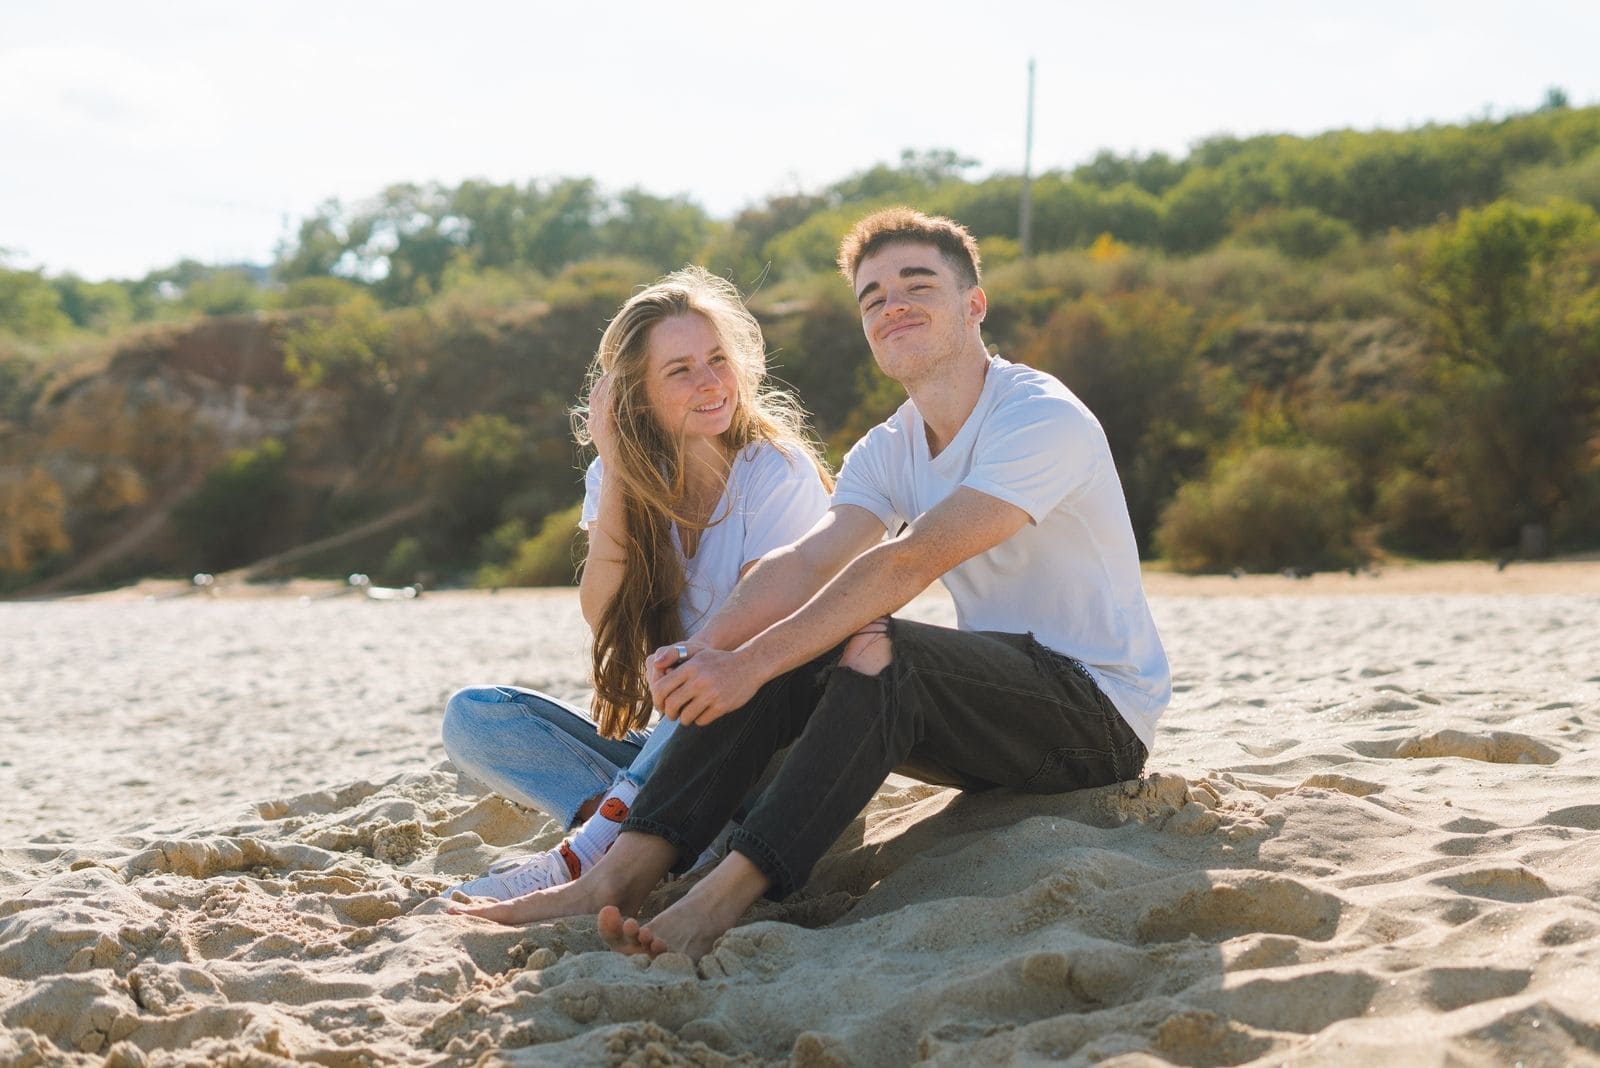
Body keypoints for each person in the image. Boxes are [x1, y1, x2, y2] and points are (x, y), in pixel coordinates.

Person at [450, 209, 1170, 962]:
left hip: (1098, 718)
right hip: (996, 723)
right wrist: (704, 657)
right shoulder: (890, 447)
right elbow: (802, 565)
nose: (892, 303)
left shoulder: (1037, 417)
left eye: (916, 284)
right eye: (872, 296)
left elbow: (907, 563)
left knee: (870, 645)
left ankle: (716, 899)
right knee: (792, 647)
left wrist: (749, 663)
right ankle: (616, 875)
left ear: (974, 304)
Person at [439, 266, 831, 900]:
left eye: (717, 359)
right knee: (473, 718)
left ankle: (598, 843)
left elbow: (754, 628)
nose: (710, 383)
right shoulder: (616, 476)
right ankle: (664, 830)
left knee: (700, 667)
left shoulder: (776, 471)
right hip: (678, 737)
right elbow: (603, 613)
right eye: (679, 370)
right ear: (637, 396)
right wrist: (619, 468)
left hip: (768, 741)